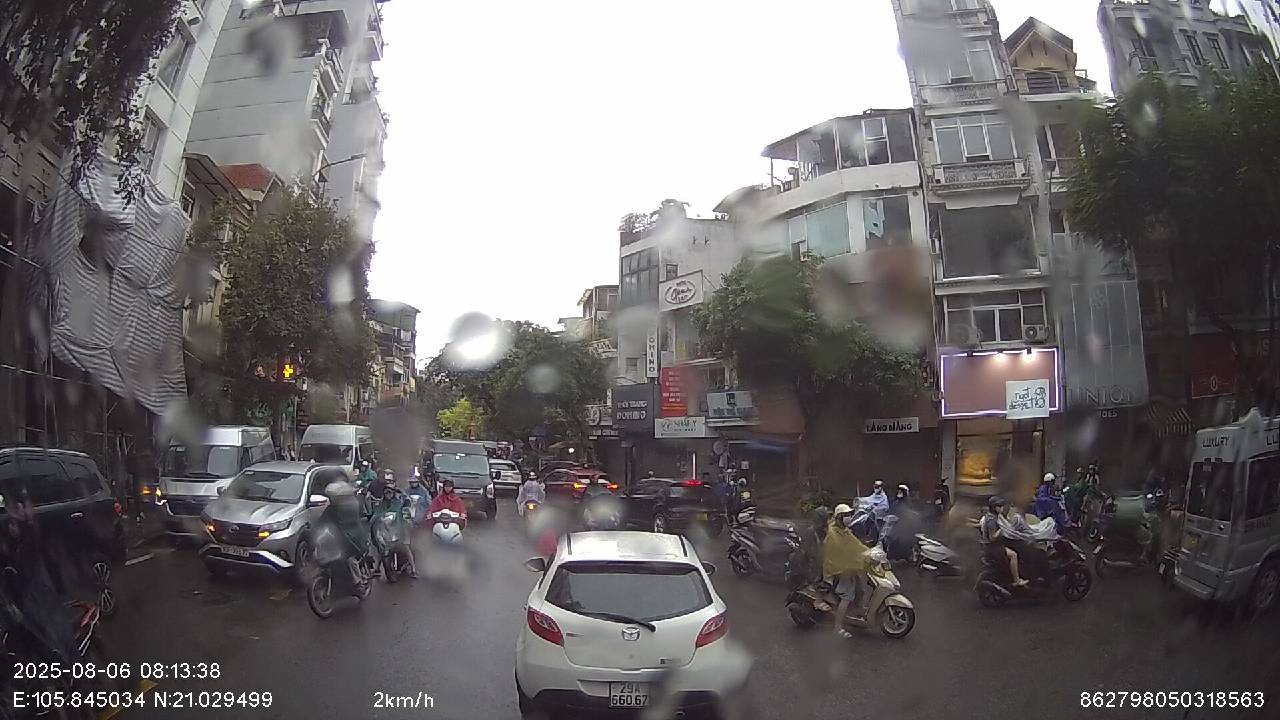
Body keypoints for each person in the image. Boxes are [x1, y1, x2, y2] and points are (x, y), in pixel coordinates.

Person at [822, 503, 870, 639]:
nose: (848, 517)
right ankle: (837, 628)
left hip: (847, 568)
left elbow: (856, 545)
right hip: (836, 570)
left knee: (860, 590)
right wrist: (857, 559)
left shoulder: (845, 531)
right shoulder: (832, 533)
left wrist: (871, 552)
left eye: (849, 515)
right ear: (839, 517)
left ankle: (854, 613)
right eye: (845, 515)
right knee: (847, 595)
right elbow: (841, 552)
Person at [979, 496, 1027, 587]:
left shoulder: (995, 516)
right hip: (993, 547)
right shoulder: (991, 520)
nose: (1002, 508)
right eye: (999, 506)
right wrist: (1002, 530)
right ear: (994, 507)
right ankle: (1017, 580)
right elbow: (992, 537)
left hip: (996, 545)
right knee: (1013, 555)